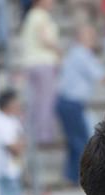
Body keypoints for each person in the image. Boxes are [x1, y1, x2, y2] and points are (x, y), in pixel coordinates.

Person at [56, 25, 105, 186]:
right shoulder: (81, 54)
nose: (93, 40)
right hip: (71, 102)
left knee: (75, 142)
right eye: (90, 36)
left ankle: (71, 177)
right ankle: (80, 178)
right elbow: (101, 75)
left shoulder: (76, 53)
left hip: (69, 102)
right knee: (80, 142)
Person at [20, 0, 61, 145]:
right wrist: (59, 50)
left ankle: (33, 132)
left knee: (36, 100)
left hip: (32, 62)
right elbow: (45, 38)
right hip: (43, 62)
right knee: (45, 100)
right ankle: (43, 135)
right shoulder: (41, 15)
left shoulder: (31, 15)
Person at [0, 90, 26, 195]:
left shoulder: (13, 120)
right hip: (4, 172)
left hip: (13, 169)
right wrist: (20, 144)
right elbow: (14, 147)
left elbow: (22, 141)